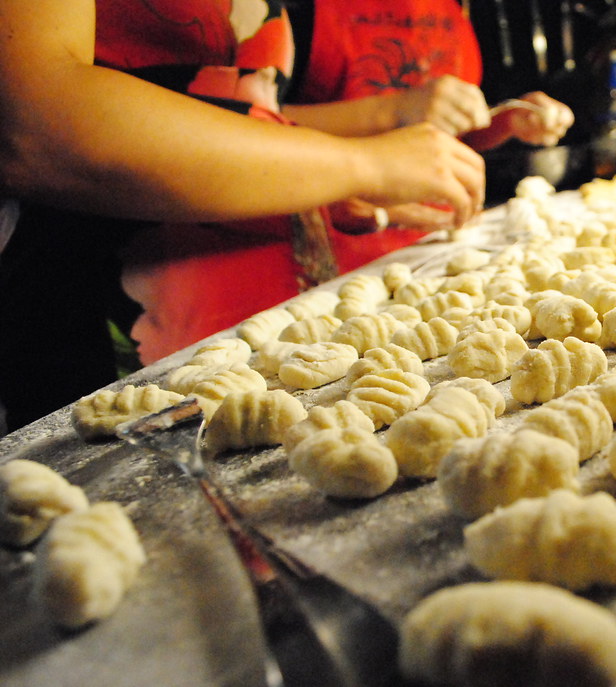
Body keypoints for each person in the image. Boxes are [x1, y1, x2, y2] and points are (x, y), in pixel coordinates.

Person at [0, 0, 486, 433]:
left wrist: (332, 179)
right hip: (110, 316)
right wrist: (363, 162)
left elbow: (247, 110)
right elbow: (32, 122)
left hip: (260, 338)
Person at [119, 0, 575, 367]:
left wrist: (496, 124)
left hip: (424, 253)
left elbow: (431, 136)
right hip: (281, 246)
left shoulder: (455, 10)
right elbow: (248, 119)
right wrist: (387, 119)